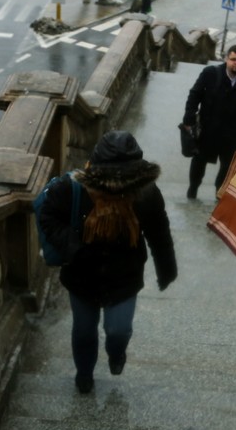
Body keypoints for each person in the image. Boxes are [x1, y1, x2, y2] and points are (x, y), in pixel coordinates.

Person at [37, 130, 177, 395]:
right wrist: (72, 246)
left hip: (125, 276)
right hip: (82, 275)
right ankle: (84, 373)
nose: (119, 185)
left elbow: (159, 230)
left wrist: (166, 267)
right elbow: (48, 216)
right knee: (84, 332)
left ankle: (116, 354)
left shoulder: (144, 193)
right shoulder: (72, 188)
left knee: (118, 330)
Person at [181, 44, 236, 199]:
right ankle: (193, 189)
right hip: (207, 129)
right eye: (233, 59)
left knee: (227, 167)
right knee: (199, 162)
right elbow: (194, 94)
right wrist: (189, 118)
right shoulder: (210, 73)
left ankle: (219, 193)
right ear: (226, 59)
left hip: (231, 133)